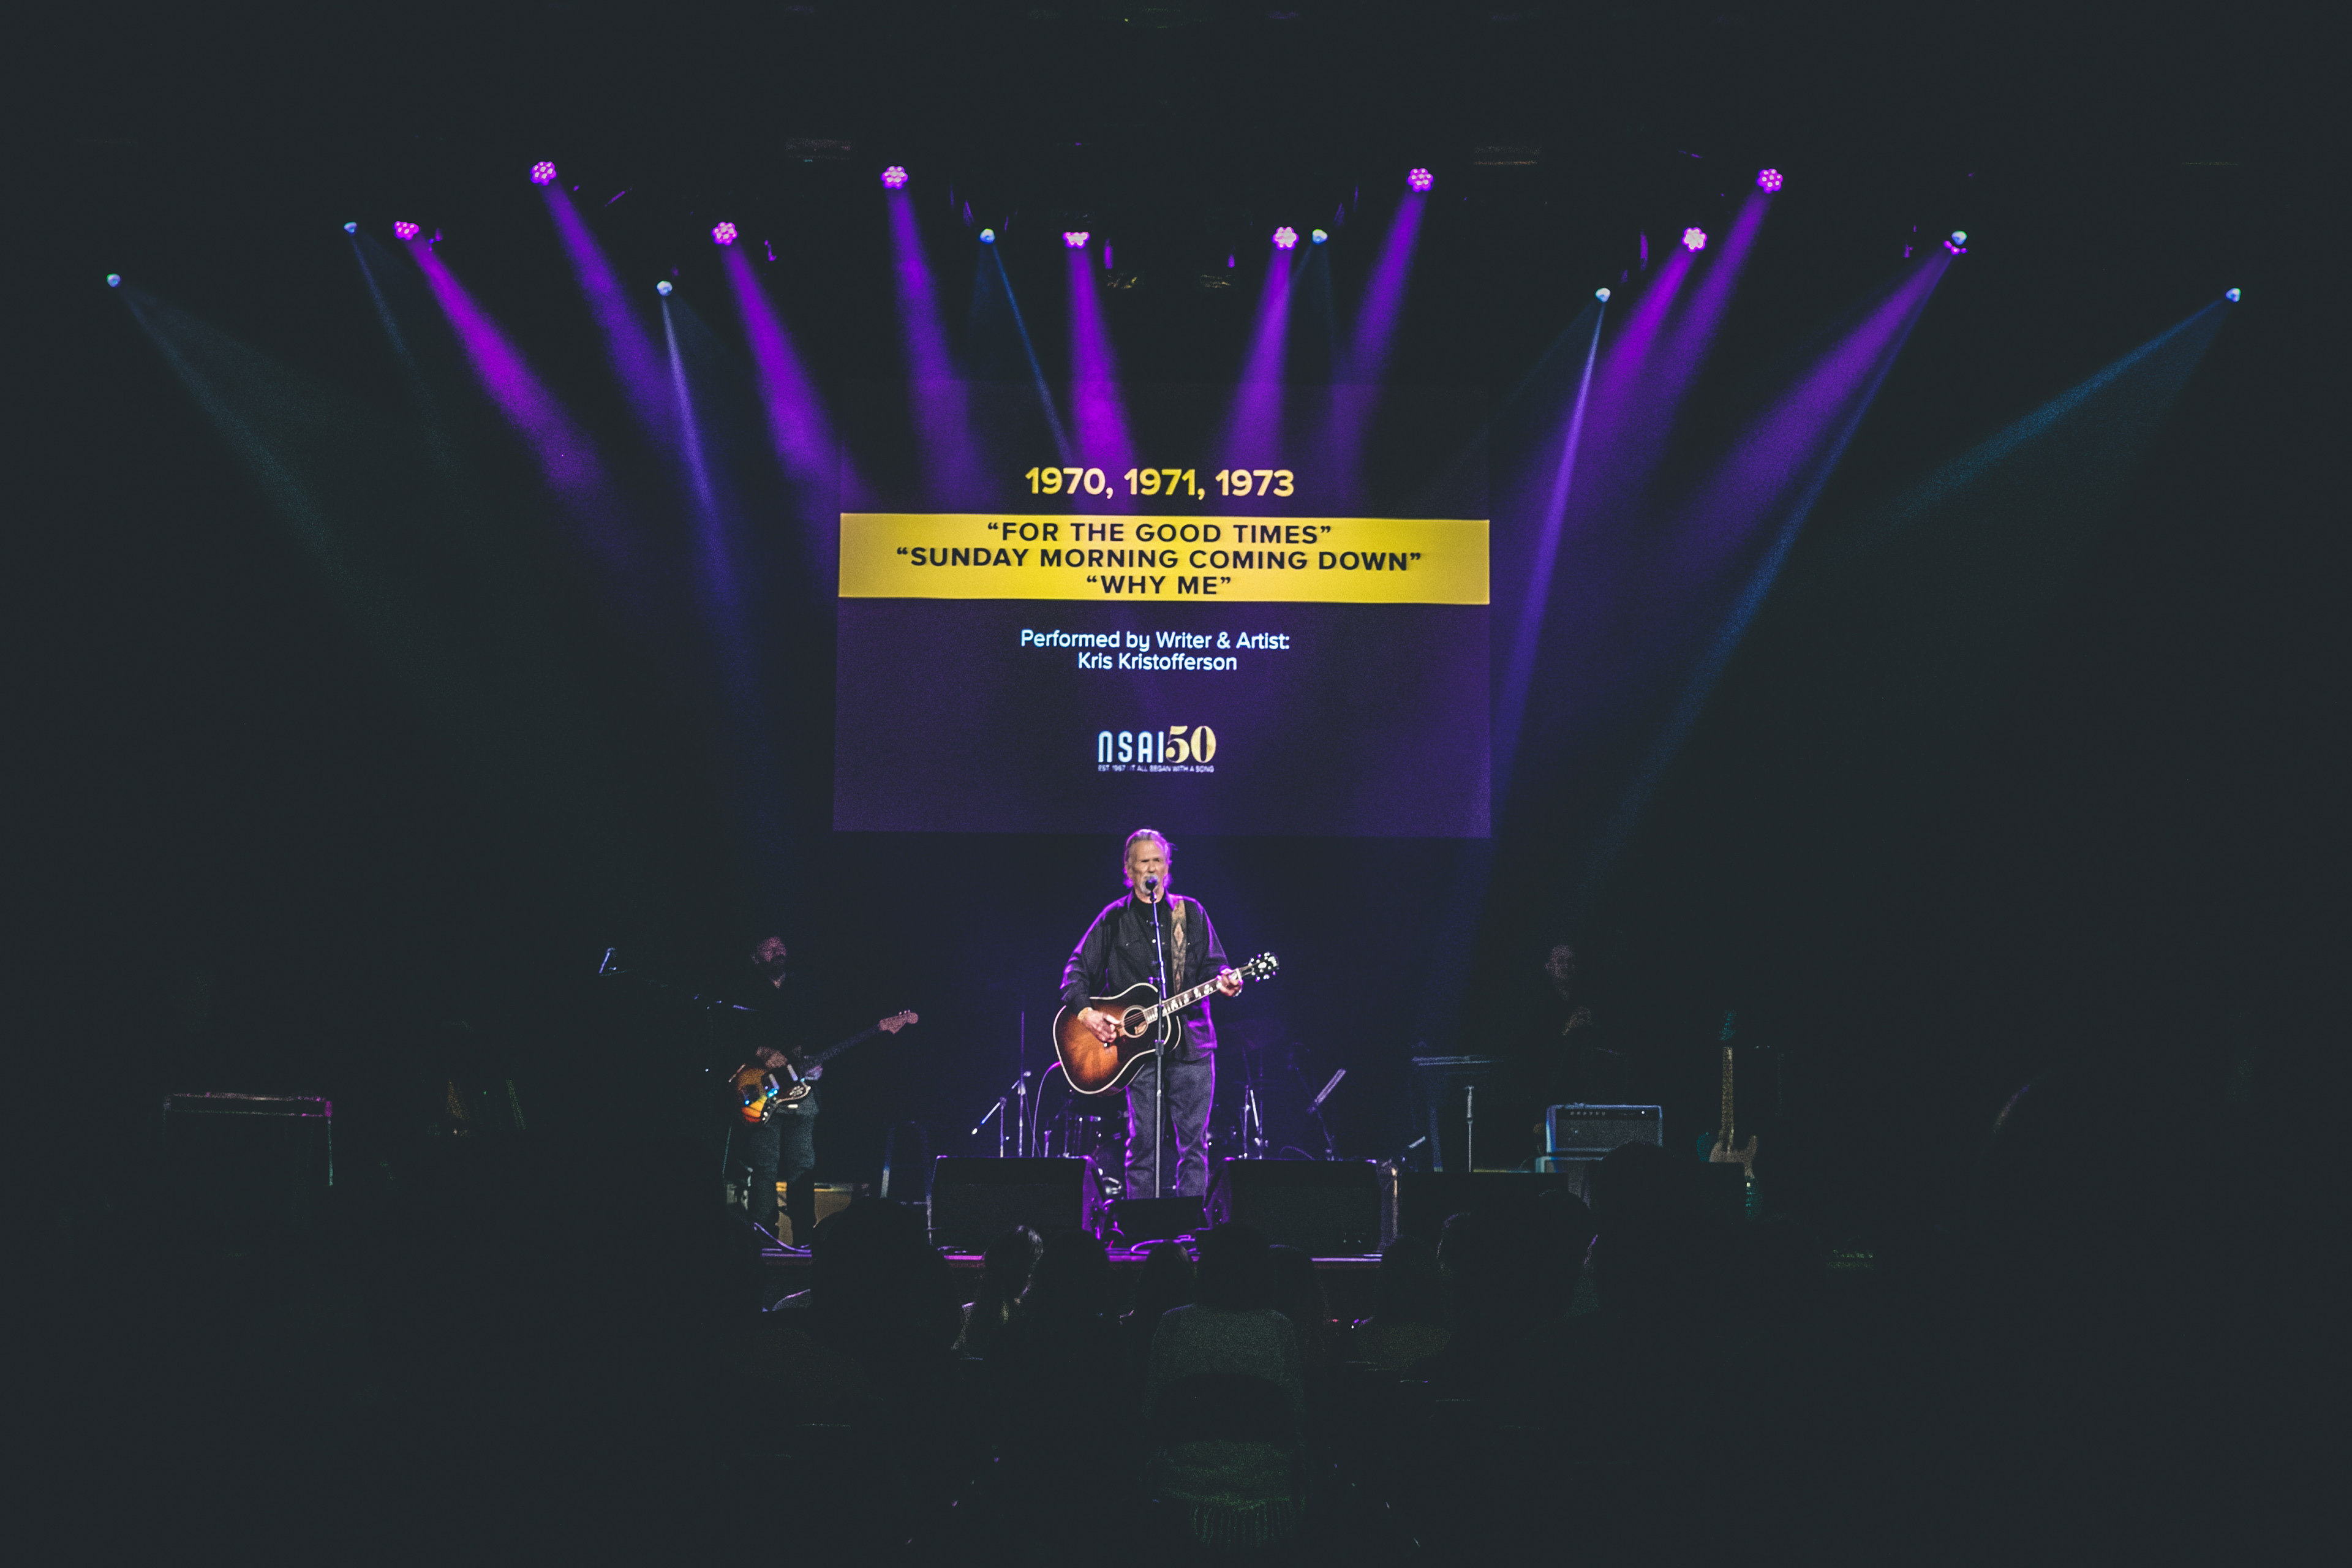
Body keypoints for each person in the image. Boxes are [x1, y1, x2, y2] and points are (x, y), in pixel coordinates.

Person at [1060, 829, 1244, 1200]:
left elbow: (1215, 967)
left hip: (1192, 1045)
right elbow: (1075, 972)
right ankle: (1141, 1224)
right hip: (1137, 1052)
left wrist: (1227, 980)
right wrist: (1088, 1015)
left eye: (1157, 861)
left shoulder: (1190, 913)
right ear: (1129, 870)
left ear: (1168, 868)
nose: (1151, 868)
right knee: (1142, 1145)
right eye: (1143, 862)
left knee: (1194, 1147)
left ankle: (1192, 1223)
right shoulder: (1114, 918)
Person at [733, 935, 823, 1247]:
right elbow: (730, 1032)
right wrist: (761, 1051)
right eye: (769, 948)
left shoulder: (804, 990)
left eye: (781, 946)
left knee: (804, 1165)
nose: (779, 951)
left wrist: (816, 1061)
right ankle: (763, 1238)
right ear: (755, 957)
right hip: (762, 1087)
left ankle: (805, 1239)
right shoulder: (744, 991)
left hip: (801, 1087)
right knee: (765, 1165)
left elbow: (817, 1032)